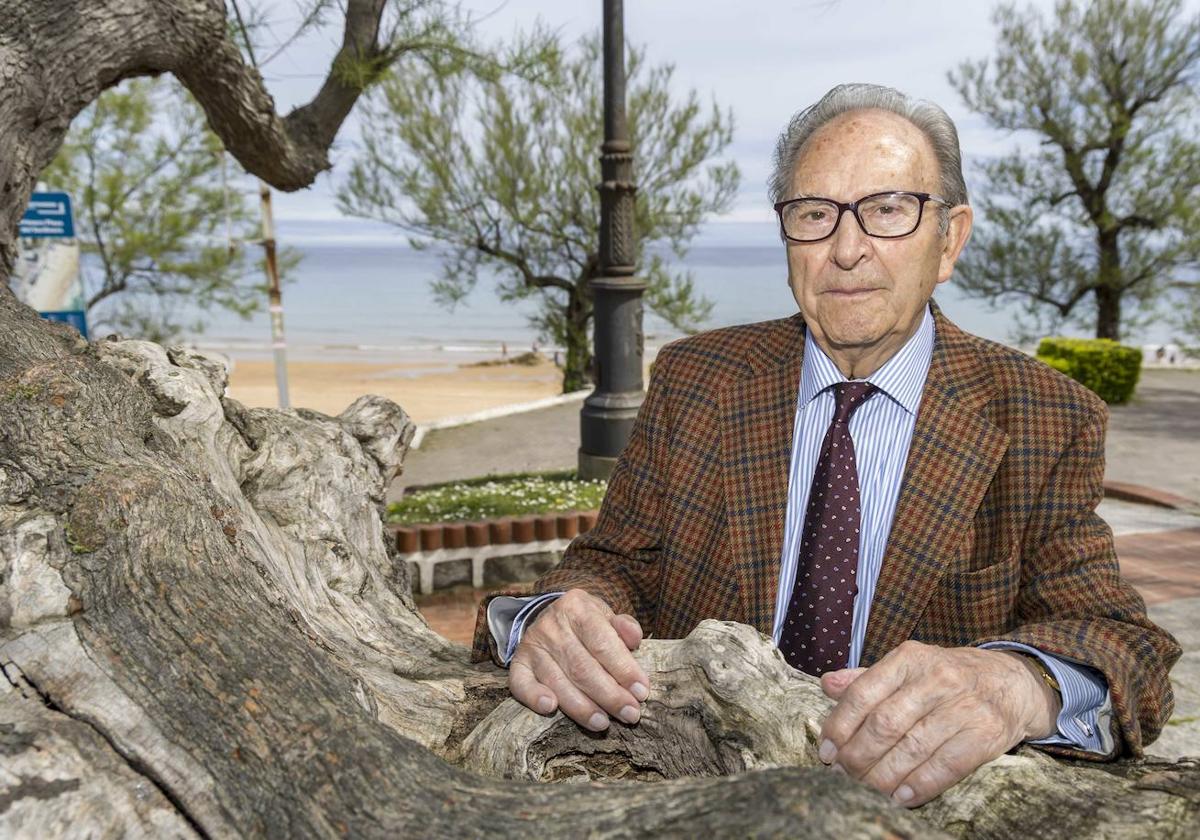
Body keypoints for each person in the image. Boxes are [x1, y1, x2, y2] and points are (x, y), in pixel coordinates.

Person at [470, 84, 1180, 807]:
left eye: (887, 210)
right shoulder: (697, 380)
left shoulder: (1043, 416)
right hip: (700, 807)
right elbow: (614, 566)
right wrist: (563, 617)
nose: (846, 250)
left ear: (951, 239)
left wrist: (1018, 683)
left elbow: (1127, 650)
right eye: (814, 214)